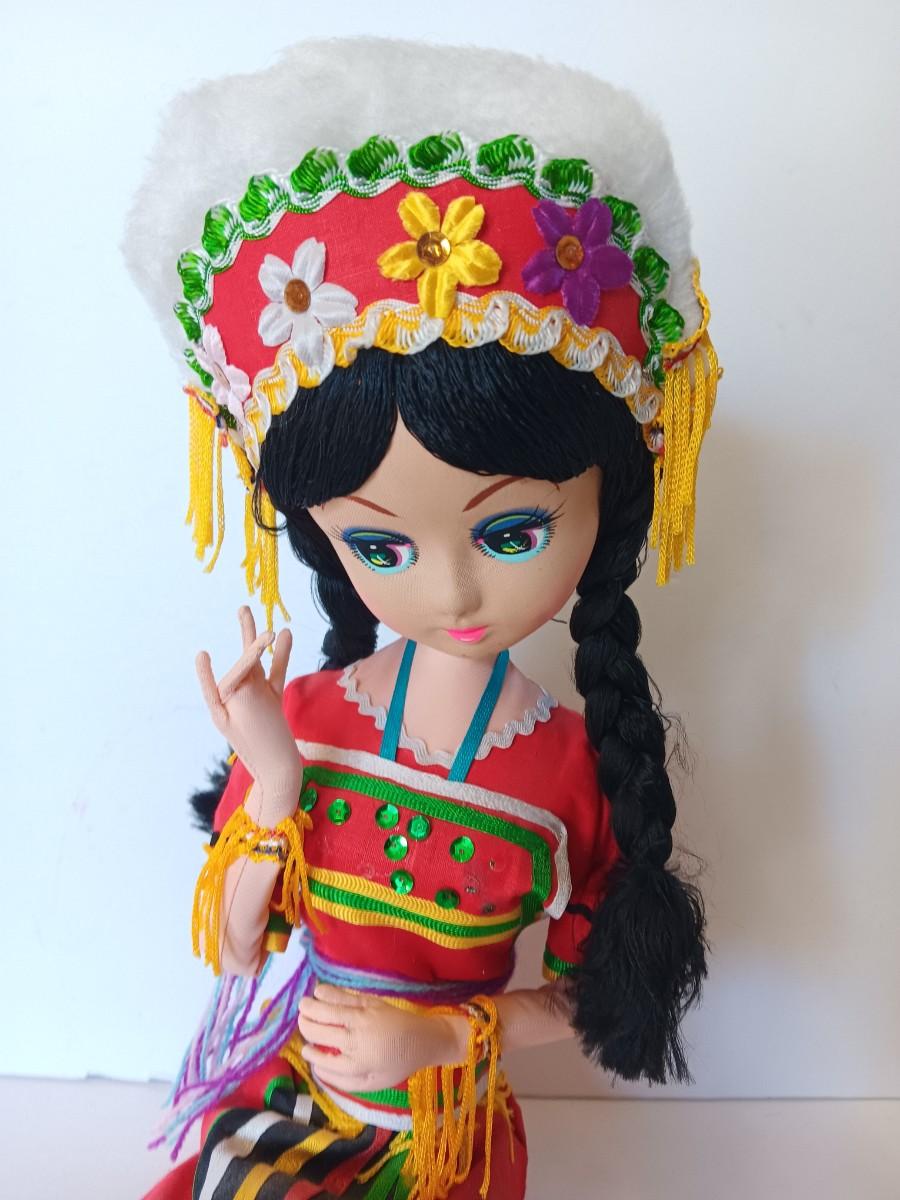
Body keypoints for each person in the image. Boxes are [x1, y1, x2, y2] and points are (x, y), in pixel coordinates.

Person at [127, 37, 719, 1200]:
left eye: (513, 532)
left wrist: (447, 1036)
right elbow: (239, 951)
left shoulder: (572, 770)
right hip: (289, 1114)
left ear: (607, 514)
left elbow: (592, 997)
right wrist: (275, 780)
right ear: (324, 539)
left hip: (446, 1138)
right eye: (382, 546)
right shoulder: (304, 720)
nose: (450, 594)